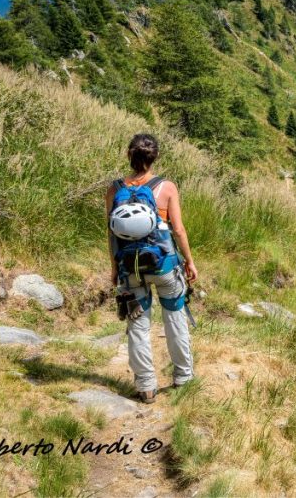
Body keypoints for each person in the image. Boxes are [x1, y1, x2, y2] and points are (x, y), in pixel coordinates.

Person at [106, 134, 198, 403]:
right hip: (165, 265)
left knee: (137, 323)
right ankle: (183, 376)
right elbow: (178, 230)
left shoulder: (114, 189)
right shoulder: (166, 187)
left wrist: (114, 267)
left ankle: (146, 386)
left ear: (129, 155)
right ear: (154, 157)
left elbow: (112, 233)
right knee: (174, 318)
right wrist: (190, 261)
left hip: (129, 266)